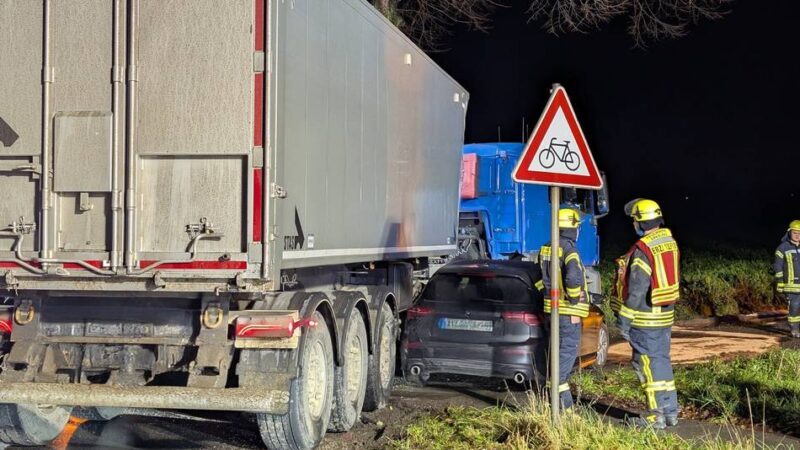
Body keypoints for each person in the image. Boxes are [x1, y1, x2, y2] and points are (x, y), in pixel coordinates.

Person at [617, 199, 680, 429]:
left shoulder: (643, 249)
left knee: (646, 365)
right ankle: (670, 412)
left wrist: (624, 320)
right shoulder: (668, 241)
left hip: (645, 319)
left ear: (640, 222)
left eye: (634, 220)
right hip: (664, 316)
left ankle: (655, 416)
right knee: (661, 361)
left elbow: (637, 289)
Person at [536, 208, 590, 410]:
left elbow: (539, 278)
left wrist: (547, 294)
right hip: (568, 313)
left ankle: (555, 407)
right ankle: (564, 409)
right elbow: (573, 277)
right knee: (563, 364)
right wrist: (574, 300)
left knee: (556, 359)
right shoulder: (569, 250)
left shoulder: (546, 247)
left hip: (552, 312)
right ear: (573, 228)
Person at [774, 220, 800, 338]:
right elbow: (778, 266)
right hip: (791, 286)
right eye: (795, 233)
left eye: (799, 233)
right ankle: (794, 329)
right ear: (789, 233)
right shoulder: (782, 248)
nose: (797, 236)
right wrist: (780, 282)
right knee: (794, 307)